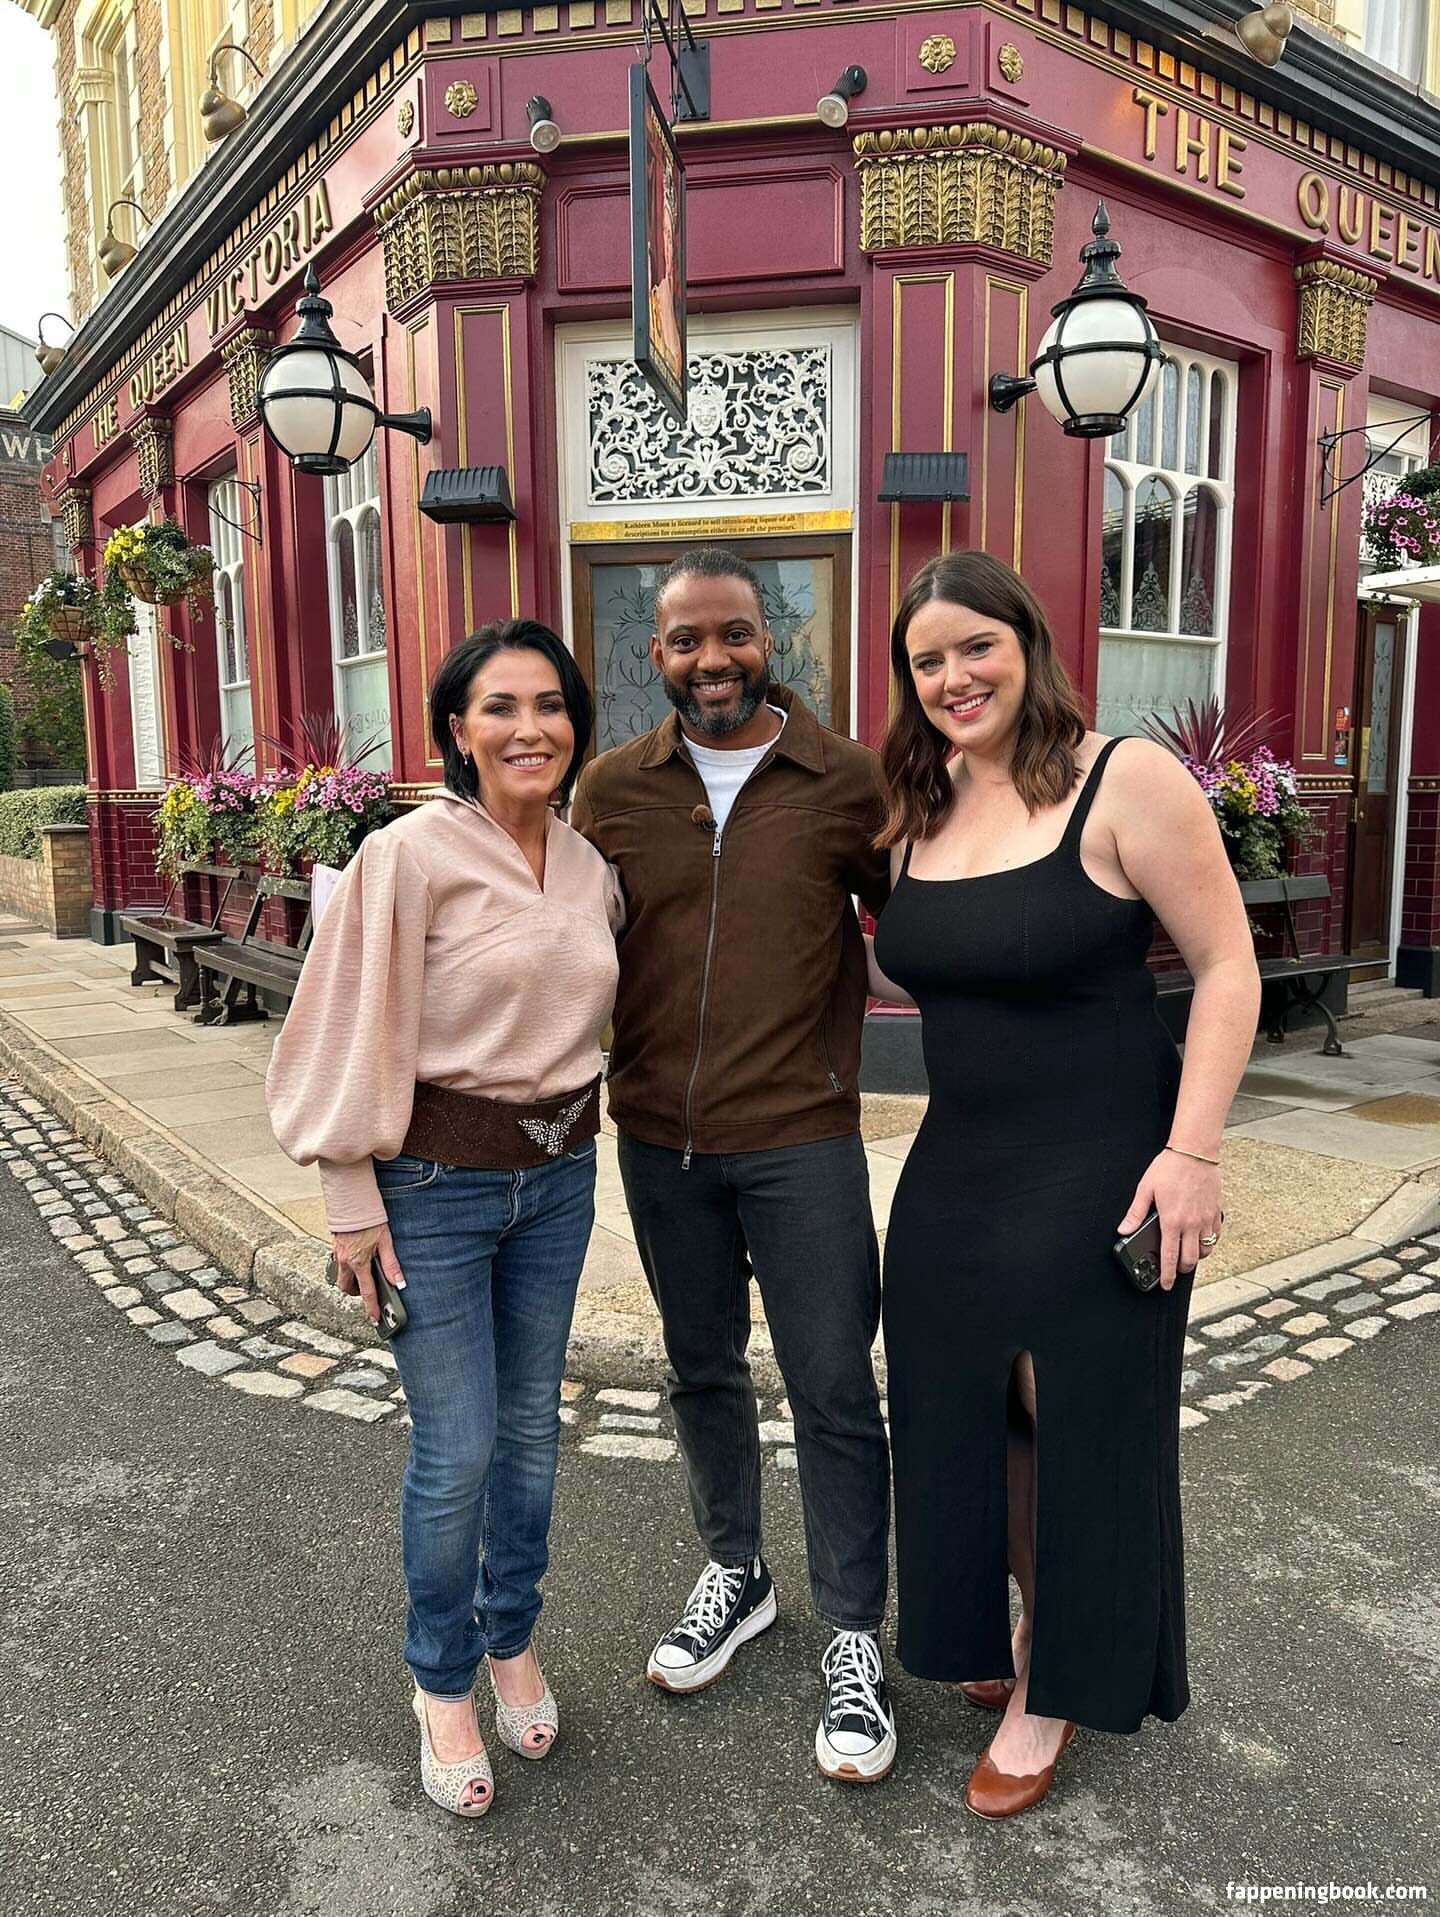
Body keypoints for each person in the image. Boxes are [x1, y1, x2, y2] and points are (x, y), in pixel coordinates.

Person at [867, 551, 1260, 1819]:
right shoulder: (918, 802)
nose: (953, 677)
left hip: (1103, 1156)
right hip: (956, 1165)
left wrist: (1192, 1154)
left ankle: (1056, 1679)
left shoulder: (1124, 777)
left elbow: (1229, 966)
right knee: (970, 1411)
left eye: (974, 645)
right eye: (927, 660)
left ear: (1028, 642)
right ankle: (1023, 1618)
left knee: (1074, 1413)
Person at [266, 620, 622, 1819]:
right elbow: (343, 1022)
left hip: (559, 1184)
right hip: (431, 1192)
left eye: (550, 704)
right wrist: (347, 1195)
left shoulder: (589, 864)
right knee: (458, 1446)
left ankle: (511, 1638)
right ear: (458, 732)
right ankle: (441, 1680)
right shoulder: (406, 854)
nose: (530, 727)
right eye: (500, 707)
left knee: (530, 1434)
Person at [571, 548, 899, 1783]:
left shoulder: (847, 779)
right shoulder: (612, 789)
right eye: (687, 640)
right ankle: (737, 1574)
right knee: (699, 1367)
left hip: (803, 1138)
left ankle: (854, 1632)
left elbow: (923, 919)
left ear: (774, 639)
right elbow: (559, 934)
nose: (714, 660)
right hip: (661, 1140)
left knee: (832, 1385)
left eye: (736, 635)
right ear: (655, 653)